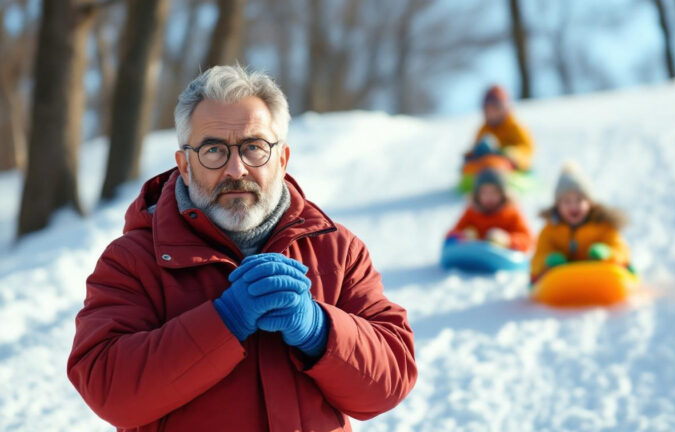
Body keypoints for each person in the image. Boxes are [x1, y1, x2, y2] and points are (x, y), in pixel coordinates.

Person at [67, 65, 417, 431]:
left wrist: (319, 329)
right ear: (184, 166)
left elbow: (390, 383)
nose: (236, 169)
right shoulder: (133, 260)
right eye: (214, 149)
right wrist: (225, 319)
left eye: (254, 147)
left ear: (281, 160)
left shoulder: (338, 250)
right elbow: (109, 391)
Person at [530, 163, 631, 282]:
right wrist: (548, 260)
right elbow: (537, 259)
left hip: (599, 273)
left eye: (579, 200)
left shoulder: (602, 225)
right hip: (563, 278)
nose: (573, 206)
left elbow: (621, 251)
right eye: (567, 201)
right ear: (558, 206)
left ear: (590, 202)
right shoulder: (551, 230)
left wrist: (607, 254)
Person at [447, 169, 533, 251]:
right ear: (477, 195)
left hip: (501, 257)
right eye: (484, 192)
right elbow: (452, 234)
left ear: (503, 194)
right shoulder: (472, 212)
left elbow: (527, 239)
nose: (489, 197)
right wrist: (462, 236)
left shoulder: (510, 213)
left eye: (494, 192)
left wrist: (507, 240)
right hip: (474, 255)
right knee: (469, 233)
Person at [467, 85, 535, 171]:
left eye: (495, 109)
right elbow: (476, 149)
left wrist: (512, 153)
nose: (492, 114)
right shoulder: (484, 130)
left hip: (511, 169)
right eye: (489, 110)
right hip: (489, 167)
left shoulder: (513, 127)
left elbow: (527, 148)